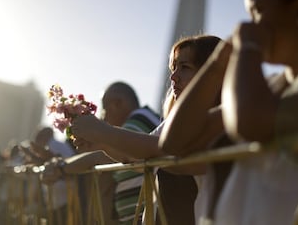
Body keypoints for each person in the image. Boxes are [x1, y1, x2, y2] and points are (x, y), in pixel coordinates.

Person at [162, 0, 298, 225]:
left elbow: (250, 123)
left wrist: (248, 49)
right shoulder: (275, 86)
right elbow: (174, 143)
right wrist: (215, 66)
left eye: (257, 11)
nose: (248, 24)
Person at [70, 34, 223, 224]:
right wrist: (101, 142)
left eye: (184, 67)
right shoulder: (173, 123)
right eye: (173, 68)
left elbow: (159, 148)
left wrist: (103, 131)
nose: (173, 77)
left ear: (210, 74)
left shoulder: (221, 118)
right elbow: (138, 157)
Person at [42, 81, 161, 225]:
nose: (103, 117)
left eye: (104, 110)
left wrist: (60, 168)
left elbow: (99, 158)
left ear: (118, 103)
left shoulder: (139, 119)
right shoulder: (142, 121)